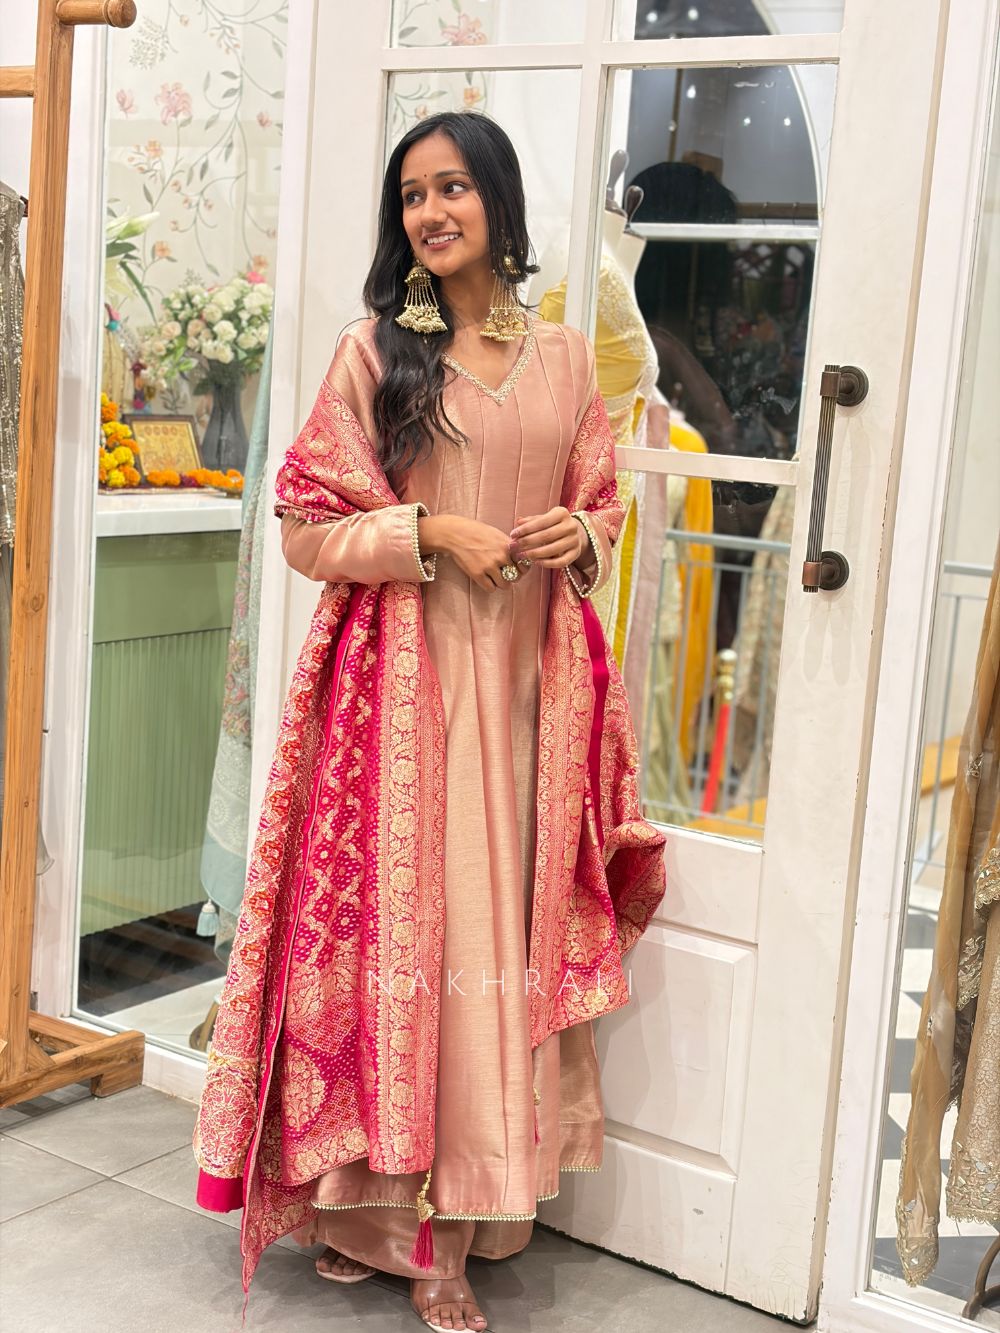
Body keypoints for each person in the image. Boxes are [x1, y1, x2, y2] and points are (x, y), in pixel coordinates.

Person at [192, 110, 666, 1333]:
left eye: (452, 188)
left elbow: (602, 501)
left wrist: (580, 532)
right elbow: (306, 525)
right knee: (400, 951)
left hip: (528, 704)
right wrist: (425, 530)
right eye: (412, 195)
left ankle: (458, 1222)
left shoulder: (563, 358)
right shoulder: (373, 355)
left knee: (488, 956)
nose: (430, 212)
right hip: (401, 700)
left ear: (498, 203)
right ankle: (374, 1217)